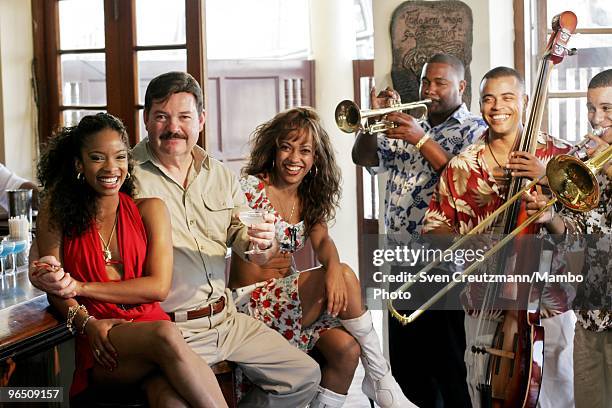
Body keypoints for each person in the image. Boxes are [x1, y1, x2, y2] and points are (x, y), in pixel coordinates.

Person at [30, 72, 320, 407]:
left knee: (303, 376)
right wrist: (65, 290)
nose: (173, 127)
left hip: (224, 318)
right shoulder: (126, 177)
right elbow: (65, 244)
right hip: (167, 324)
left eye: (184, 117)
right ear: (146, 120)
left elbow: (248, 243)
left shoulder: (219, 173)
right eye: (162, 117)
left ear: (201, 119)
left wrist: (263, 244)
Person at [30, 113, 227, 407]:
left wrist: (81, 287)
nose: (111, 168)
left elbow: (158, 288)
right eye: (98, 157)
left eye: (120, 157)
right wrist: (86, 323)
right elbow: (56, 289)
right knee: (166, 333)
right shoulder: (55, 212)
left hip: (151, 328)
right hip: (102, 337)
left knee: (171, 400)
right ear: (78, 164)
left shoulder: (151, 210)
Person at [230, 107, 416, 408]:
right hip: (251, 305)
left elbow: (324, 241)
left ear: (315, 159)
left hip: (290, 305)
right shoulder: (252, 187)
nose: (294, 159)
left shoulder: (309, 196)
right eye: (287, 147)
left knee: (346, 349)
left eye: (305, 151)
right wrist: (334, 272)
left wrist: (331, 268)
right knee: (341, 273)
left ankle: (375, 378)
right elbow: (253, 245)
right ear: (274, 148)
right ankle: (382, 378)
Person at [422, 66, 579, 408]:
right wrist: (469, 248)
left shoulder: (561, 158)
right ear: (479, 106)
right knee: (486, 396)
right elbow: (434, 229)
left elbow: (582, 232)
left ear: (524, 101)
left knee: (557, 395)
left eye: (508, 98)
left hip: (548, 307)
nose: (497, 107)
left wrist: (548, 188)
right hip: (485, 303)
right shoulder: (462, 166)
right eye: (489, 99)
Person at [352, 53, 486, 407]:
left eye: (440, 83)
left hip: (446, 265)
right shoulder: (408, 124)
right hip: (400, 261)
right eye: (426, 82)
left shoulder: (476, 129)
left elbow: (466, 182)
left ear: (461, 86)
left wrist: (420, 139)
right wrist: (372, 121)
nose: (430, 90)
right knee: (408, 368)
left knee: (450, 365)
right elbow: (365, 158)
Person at [564, 69, 612, 408]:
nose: (597, 119)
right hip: (590, 313)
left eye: (608, 109)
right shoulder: (585, 164)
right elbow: (575, 233)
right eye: (591, 108)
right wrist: (551, 215)